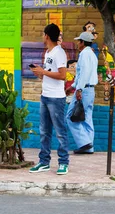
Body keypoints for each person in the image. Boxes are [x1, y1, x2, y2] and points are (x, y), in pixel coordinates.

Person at [29, 23, 70, 175]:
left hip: (56, 98)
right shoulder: (48, 53)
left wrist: (43, 72)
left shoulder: (59, 53)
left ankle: (63, 163)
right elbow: (49, 73)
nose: (42, 36)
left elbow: (62, 75)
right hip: (45, 95)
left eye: (43, 34)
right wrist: (39, 73)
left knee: (60, 131)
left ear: (47, 35)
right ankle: (44, 162)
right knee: (44, 131)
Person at [66, 31, 98, 154]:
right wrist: (74, 86)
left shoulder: (84, 54)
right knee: (87, 118)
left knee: (70, 116)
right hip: (90, 90)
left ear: (83, 42)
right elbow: (85, 74)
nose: (77, 43)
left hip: (83, 90)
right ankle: (89, 147)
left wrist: (79, 89)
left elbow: (83, 73)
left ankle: (84, 143)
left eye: (79, 41)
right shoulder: (92, 55)